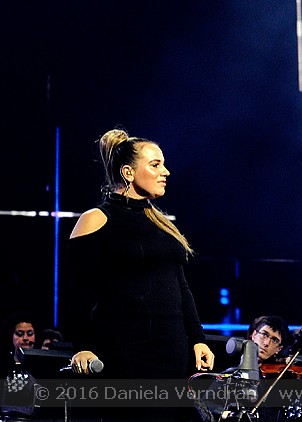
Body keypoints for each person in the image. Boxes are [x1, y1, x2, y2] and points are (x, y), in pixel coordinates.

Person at [65, 128, 214, 420]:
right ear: (128, 172)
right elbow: (78, 292)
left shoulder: (161, 224)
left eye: (163, 164)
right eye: (155, 165)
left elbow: (181, 287)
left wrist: (198, 338)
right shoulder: (96, 219)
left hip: (173, 353)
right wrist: (82, 347)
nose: (166, 172)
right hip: (127, 354)